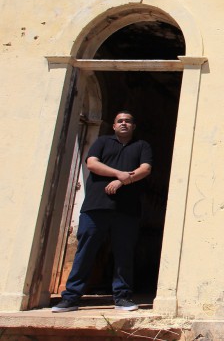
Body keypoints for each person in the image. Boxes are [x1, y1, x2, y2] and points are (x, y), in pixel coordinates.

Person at [52, 111, 152, 313]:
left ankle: (122, 297)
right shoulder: (102, 142)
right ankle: (70, 298)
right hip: (95, 207)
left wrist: (123, 181)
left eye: (128, 121)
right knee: (85, 252)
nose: (124, 124)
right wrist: (118, 174)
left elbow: (145, 169)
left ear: (134, 126)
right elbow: (92, 163)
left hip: (127, 210)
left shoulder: (142, 146)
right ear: (114, 126)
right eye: (120, 121)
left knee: (124, 254)